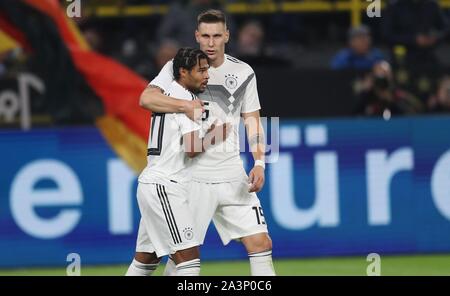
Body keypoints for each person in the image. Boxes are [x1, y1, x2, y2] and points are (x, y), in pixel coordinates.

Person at [139, 9, 275, 276]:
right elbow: (146, 99)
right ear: (196, 36)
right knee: (180, 258)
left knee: (261, 242)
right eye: (205, 36)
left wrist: (260, 162)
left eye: (216, 36)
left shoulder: (243, 72)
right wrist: (186, 106)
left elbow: (253, 122)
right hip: (191, 177)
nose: (210, 43)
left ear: (227, 35)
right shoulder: (177, 68)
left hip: (232, 174)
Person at [125, 47, 230, 276]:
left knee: (146, 260)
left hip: (155, 183)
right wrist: (215, 136)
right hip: (166, 185)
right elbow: (192, 148)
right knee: (188, 260)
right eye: (201, 71)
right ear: (183, 72)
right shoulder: (186, 98)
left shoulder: (167, 93)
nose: (206, 76)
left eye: (207, 70)